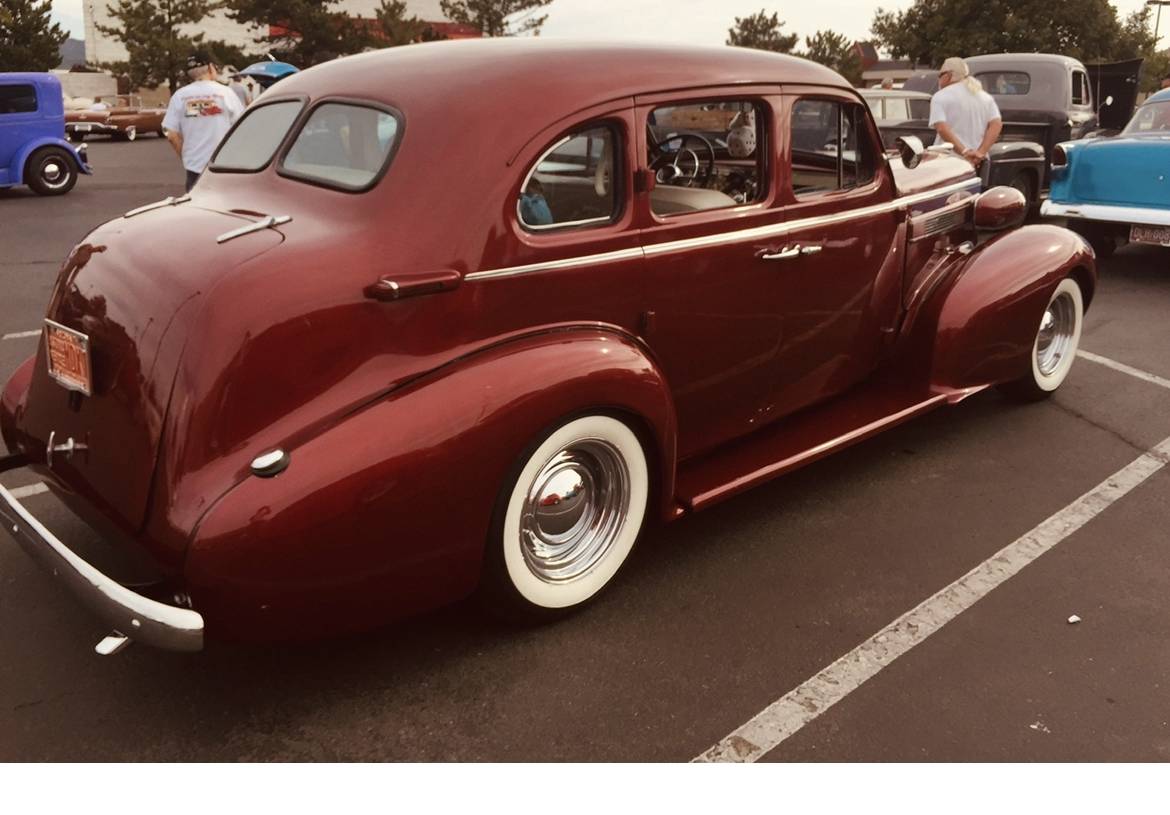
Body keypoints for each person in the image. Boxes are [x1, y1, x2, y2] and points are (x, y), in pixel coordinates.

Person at [162, 51, 245, 192]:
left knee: (197, 210)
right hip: (223, 167)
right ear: (211, 68)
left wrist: (186, 156)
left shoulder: (180, 96)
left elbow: (171, 134)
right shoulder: (225, 93)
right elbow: (243, 127)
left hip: (194, 169)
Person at [929, 56, 1002, 186]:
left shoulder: (940, 96)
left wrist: (965, 152)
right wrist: (980, 153)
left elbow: (941, 128)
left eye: (940, 75)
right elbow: (996, 124)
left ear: (949, 75)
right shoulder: (985, 97)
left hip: (948, 162)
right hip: (979, 163)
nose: (938, 79)